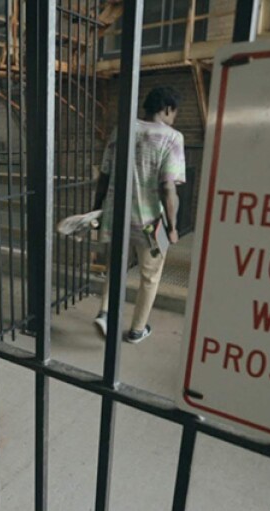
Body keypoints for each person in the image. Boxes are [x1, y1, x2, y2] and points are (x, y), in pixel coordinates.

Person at [92, 86, 185, 344]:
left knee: (116, 267)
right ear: (167, 109)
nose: (173, 118)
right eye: (174, 113)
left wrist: (97, 206)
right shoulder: (173, 138)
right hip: (152, 224)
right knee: (150, 276)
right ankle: (137, 329)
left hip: (117, 216)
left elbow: (105, 175)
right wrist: (173, 227)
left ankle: (105, 313)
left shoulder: (122, 129)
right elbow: (168, 188)